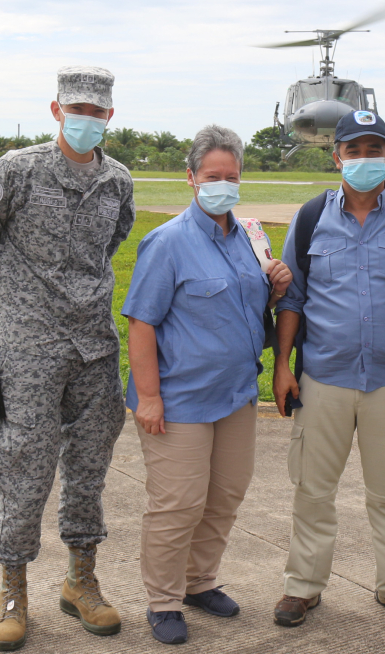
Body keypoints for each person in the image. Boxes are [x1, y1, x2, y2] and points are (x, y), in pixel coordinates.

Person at [0, 66, 135, 652]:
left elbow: (112, 243)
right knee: (22, 466)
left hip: (93, 345)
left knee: (89, 466)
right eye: (77, 108)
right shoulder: (17, 170)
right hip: (27, 347)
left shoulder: (117, 181)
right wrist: (17, 304)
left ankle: (81, 580)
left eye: (97, 111)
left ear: (110, 116)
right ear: (57, 110)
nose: (87, 118)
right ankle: (12, 590)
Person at [271, 110, 385, 628]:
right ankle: (303, 587)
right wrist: (282, 365)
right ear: (337, 158)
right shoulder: (311, 218)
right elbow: (291, 301)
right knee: (312, 492)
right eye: (354, 150)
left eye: (374, 150)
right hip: (322, 378)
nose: (364, 159)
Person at [122, 125, 293, 645]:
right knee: (178, 503)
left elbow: (245, 306)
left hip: (235, 394)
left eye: (231, 176)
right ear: (192, 177)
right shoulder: (167, 242)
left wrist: (275, 287)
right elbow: (141, 323)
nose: (223, 184)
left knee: (224, 495)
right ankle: (163, 601)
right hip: (179, 398)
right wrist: (149, 397)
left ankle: (199, 582)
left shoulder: (249, 237)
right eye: (212, 176)